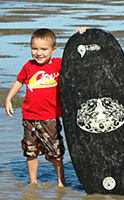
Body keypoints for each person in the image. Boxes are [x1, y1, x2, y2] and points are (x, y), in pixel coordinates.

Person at [5, 27, 87, 187]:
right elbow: (19, 81)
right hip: (29, 117)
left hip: (50, 118)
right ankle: (33, 183)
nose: (38, 53)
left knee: (56, 153)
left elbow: (78, 58)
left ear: (53, 49)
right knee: (30, 152)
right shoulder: (28, 66)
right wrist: (8, 98)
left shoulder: (58, 65)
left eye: (44, 49)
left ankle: (61, 182)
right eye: (34, 48)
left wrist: (83, 35)